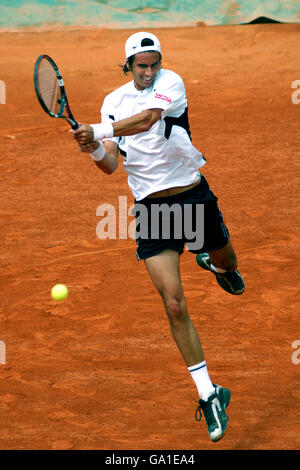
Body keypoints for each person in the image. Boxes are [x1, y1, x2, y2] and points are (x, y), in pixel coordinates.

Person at [72, 31, 245, 443]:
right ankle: (209, 394)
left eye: (153, 64)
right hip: (153, 210)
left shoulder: (171, 83)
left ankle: (214, 261)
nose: (148, 72)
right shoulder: (113, 102)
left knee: (230, 265)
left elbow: (149, 119)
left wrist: (96, 129)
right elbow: (112, 164)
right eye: (140, 66)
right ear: (127, 66)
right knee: (173, 303)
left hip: (192, 194)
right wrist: (94, 148)